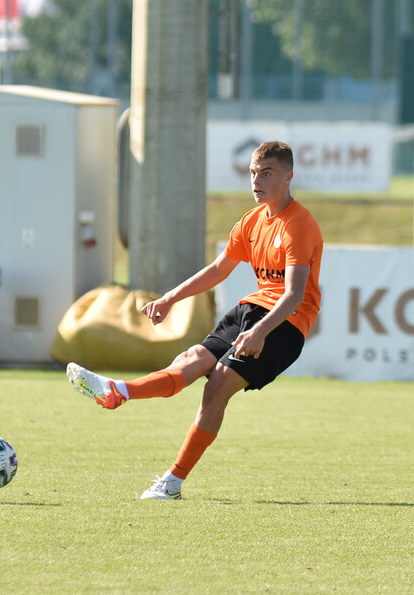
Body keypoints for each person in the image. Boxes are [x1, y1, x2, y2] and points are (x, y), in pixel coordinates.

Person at [66, 141, 323, 500]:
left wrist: (259, 333)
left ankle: (172, 482)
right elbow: (219, 270)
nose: (256, 180)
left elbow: (294, 295)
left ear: (288, 177)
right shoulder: (251, 221)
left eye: (266, 173)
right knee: (188, 361)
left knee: (216, 385)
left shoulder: (300, 225)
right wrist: (170, 298)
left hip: (286, 325)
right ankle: (118, 391)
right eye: (252, 172)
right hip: (252, 310)